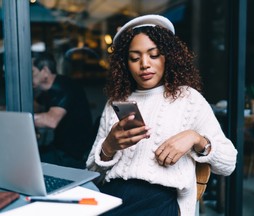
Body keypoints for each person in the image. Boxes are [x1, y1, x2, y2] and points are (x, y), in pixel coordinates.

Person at [86, 14, 237, 216]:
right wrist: (108, 147)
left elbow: (228, 164)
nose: (144, 64)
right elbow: (92, 175)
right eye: (134, 58)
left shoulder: (188, 99)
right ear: (125, 64)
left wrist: (196, 138)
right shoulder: (116, 101)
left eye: (154, 55)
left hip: (161, 200)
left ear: (168, 57)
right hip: (113, 195)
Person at [32, 52, 93, 169]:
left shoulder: (63, 87)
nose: (29, 77)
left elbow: (50, 120)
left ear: (45, 71)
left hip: (72, 156)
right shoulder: (48, 90)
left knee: (29, 163)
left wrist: (20, 120)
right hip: (59, 148)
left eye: (32, 72)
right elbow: (33, 107)